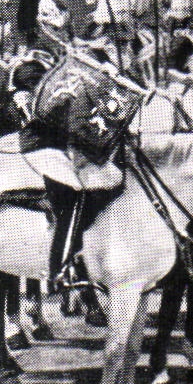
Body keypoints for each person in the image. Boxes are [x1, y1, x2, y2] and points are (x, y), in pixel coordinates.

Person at [22, 53, 141, 289]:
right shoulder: (82, 89)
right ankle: (61, 269)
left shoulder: (81, 81)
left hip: (58, 144)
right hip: (43, 146)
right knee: (73, 199)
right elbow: (78, 129)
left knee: (111, 185)